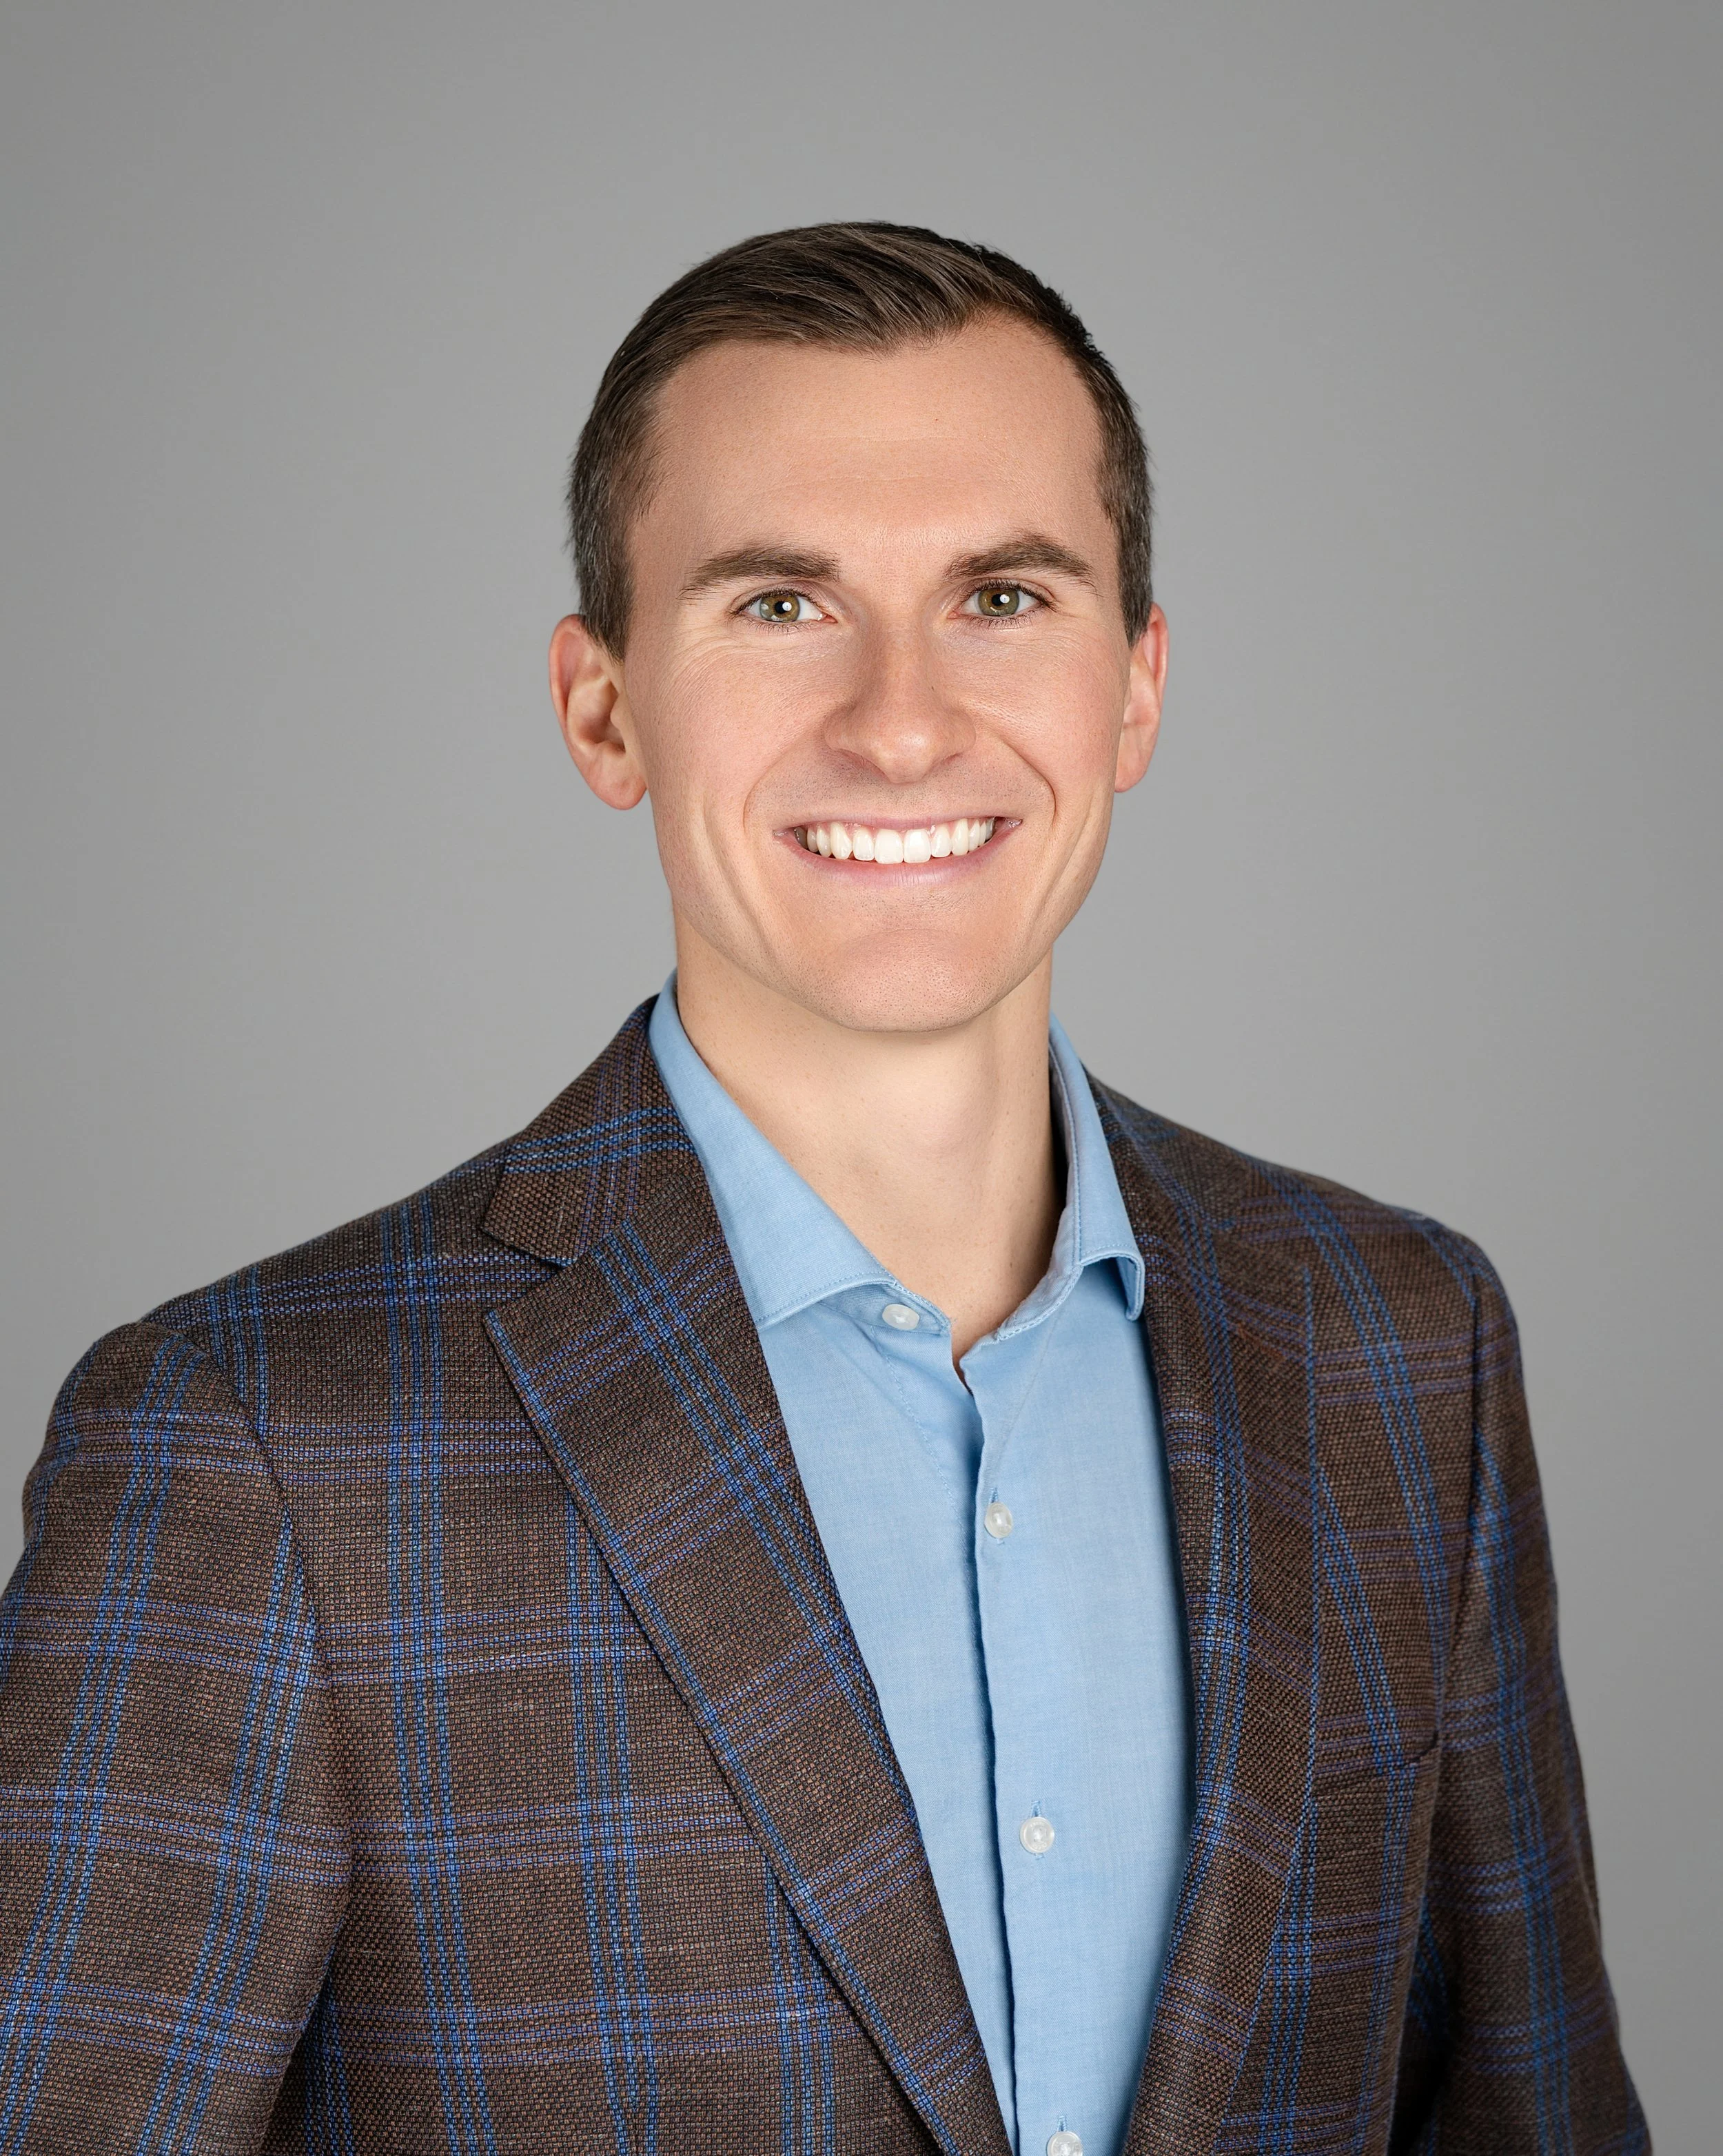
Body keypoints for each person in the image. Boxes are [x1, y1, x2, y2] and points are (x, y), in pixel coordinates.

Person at [0, 223, 1644, 2156]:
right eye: (778, 606)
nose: (901, 721)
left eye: (1002, 596)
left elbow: (1530, 2119)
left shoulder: (1393, 1343)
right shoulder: (261, 1435)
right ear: (602, 708)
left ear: (1134, 687)